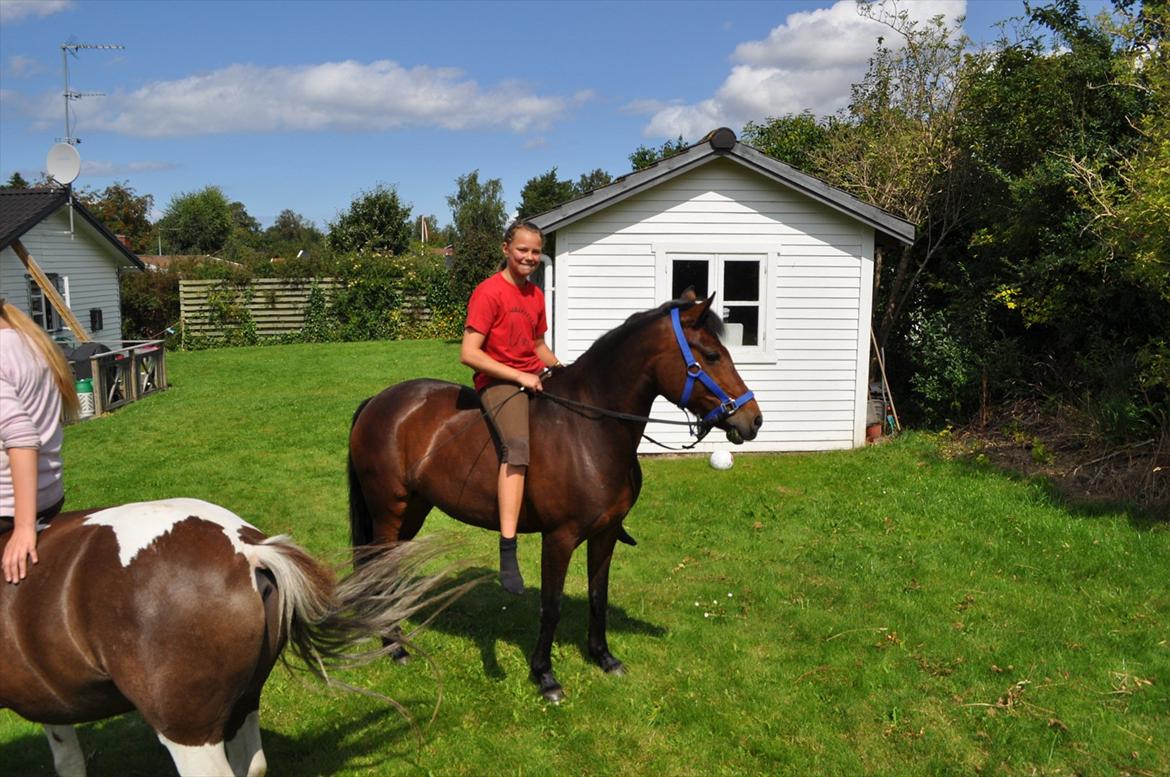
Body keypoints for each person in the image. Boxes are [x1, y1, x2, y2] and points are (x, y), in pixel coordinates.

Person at [461, 221, 563, 595]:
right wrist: (520, 377)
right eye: (523, 250)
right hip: (498, 382)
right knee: (518, 447)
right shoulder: (488, 292)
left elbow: (538, 346)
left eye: (536, 252)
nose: (530, 258)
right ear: (506, 249)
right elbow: (469, 354)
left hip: (531, 375)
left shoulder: (535, 296)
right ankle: (508, 549)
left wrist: (561, 369)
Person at [1, 299, 80, 584]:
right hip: (49, 495)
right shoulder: (27, 339)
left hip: (9, 506)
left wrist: (23, 528)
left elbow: (21, 435)